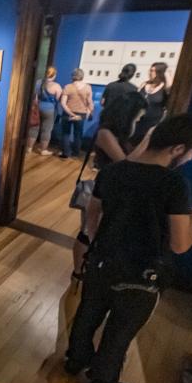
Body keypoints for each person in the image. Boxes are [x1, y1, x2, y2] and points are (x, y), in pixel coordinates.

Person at [65, 113, 192, 383]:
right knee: (119, 330)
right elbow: (180, 245)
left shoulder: (112, 172)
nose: (190, 159)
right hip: (142, 273)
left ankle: (75, 360)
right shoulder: (175, 185)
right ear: (178, 149)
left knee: (87, 314)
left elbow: (91, 222)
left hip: (102, 262)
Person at [71, 92, 150, 280]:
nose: (138, 121)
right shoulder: (105, 133)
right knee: (87, 230)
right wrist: (148, 140)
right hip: (102, 187)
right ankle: (78, 272)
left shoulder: (116, 133)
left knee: (98, 229)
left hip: (112, 187)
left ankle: (90, 269)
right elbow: (124, 164)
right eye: (137, 117)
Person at [26, 66, 62, 155]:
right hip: (49, 109)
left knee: (34, 128)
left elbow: (35, 96)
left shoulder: (38, 82)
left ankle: (29, 148)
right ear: (54, 75)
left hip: (38, 108)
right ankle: (43, 150)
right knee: (46, 130)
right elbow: (58, 99)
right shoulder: (56, 86)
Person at [59, 68, 95, 158]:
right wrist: (90, 112)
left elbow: (63, 103)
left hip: (68, 113)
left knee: (65, 133)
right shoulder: (88, 87)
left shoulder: (68, 87)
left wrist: (71, 114)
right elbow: (90, 102)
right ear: (82, 76)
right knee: (78, 134)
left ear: (73, 76)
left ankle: (66, 153)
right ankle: (76, 154)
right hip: (81, 114)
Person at [133, 62, 172, 141]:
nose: (150, 73)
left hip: (152, 125)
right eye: (150, 70)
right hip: (136, 122)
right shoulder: (144, 84)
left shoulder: (164, 87)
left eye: (153, 71)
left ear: (159, 73)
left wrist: (167, 73)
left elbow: (170, 87)